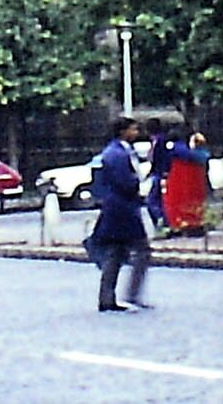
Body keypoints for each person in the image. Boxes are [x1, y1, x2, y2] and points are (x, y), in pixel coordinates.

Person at [89, 115, 152, 312]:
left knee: (115, 254)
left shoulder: (119, 151)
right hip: (122, 209)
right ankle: (131, 293)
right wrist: (137, 183)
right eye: (133, 129)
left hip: (118, 208)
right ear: (123, 131)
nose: (136, 133)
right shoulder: (116, 154)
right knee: (142, 250)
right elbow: (125, 181)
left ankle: (108, 297)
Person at [161, 128, 211, 235]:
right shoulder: (186, 150)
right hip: (190, 181)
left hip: (180, 181)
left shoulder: (176, 149)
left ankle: (175, 225)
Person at [144, 117, 170, 233]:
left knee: (152, 201)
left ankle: (161, 221)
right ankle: (163, 224)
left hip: (160, 174)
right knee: (158, 201)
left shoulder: (161, 141)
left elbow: (163, 158)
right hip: (156, 173)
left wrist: (164, 174)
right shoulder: (155, 141)